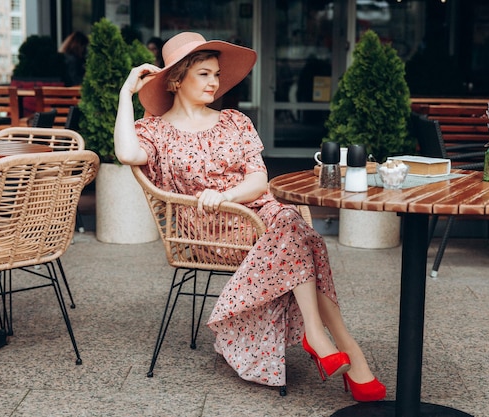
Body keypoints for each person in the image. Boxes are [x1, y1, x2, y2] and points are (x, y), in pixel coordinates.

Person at [113, 32, 386, 402]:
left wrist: (226, 193)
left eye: (216, 74)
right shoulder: (155, 131)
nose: (215, 82)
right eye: (204, 74)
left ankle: (320, 337)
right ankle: (347, 354)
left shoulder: (234, 121)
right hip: (212, 228)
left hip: (256, 211)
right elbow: (127, 153)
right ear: (176, 79)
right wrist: (125, 94)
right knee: (300, 235)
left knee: (291, 226)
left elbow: (259, 180)